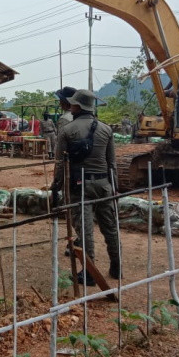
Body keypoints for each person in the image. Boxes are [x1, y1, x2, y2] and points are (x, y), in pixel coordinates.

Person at [51, 89, 118, 284]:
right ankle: (117, 266)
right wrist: (114, 187)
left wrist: (57, 185)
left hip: (80, 185)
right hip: (104, 184)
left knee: (85, 230)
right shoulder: (106, 129)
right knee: (110, 227)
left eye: (72, 103)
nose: (70, 106)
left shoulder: (67, 130)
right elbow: (112, 163)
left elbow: (60, 163)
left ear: (77, 106)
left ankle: (89, 272)